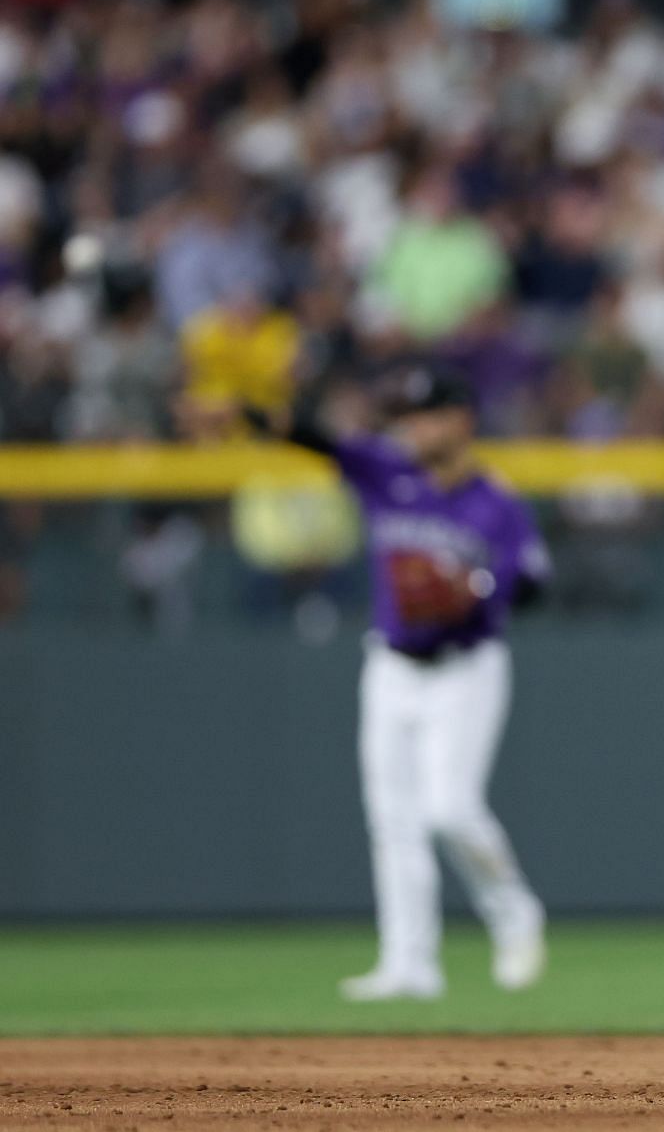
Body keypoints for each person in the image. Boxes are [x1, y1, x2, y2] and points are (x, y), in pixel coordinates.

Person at [249, 367, 549, 1000]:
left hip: (466, 668)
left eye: (426, 414)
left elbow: (533, 580)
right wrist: (242, 413)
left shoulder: (494, 500)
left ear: (462, 420)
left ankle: (513, 912)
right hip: (390, 667)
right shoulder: (385, 470)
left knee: (449, 809)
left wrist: (477, 589)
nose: (412, 426)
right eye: (406, 416)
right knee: (392, 820)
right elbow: (313, 439)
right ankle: (409, 964)